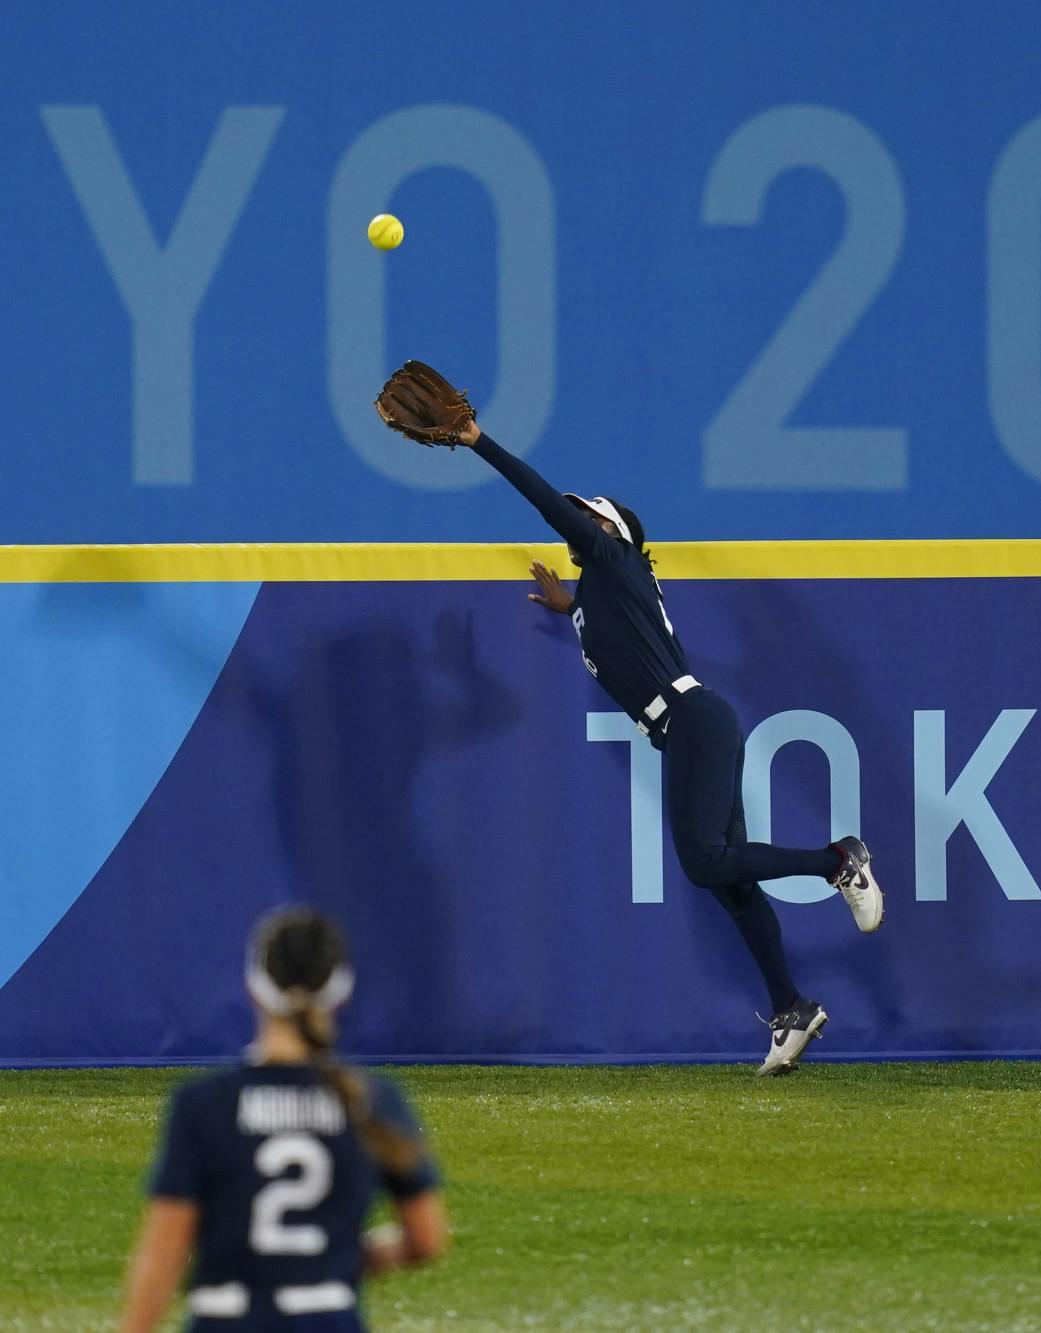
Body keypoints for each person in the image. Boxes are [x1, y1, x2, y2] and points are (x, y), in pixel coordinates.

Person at [373, 361, 884, 1076]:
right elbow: (601, 608)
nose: (575, 522)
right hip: (689, 726)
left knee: (706, 861)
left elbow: (551, 507)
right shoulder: (602, 592)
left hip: (693, 720)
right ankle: (792, 1006)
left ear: (607, 530)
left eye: (589, 517)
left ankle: (839, 860)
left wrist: (478, 441)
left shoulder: (616, 561)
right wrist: (568, 606)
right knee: (732, 883)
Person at [118, 908, 447, 1332]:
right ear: (341, 991)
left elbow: (163, 1255)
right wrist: (345, 1255)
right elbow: (426, 1239)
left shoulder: (205, 1104)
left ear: (254, 986)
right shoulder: (373, 1101)